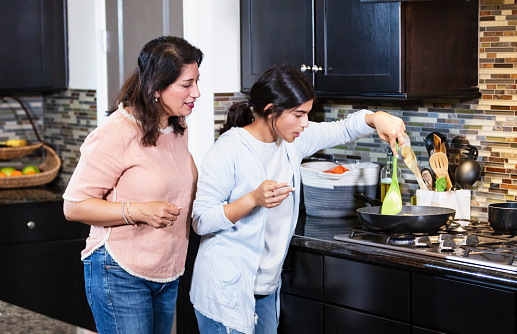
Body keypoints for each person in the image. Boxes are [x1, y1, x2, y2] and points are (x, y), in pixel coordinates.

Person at [190, 63, 406, 334]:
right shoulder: (228, 150)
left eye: (307, 114)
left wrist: (377, 118)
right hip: (225, 292)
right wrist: (252, 199)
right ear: (270, 110)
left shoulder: (293, 141)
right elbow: (201, 220)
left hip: (266, 291)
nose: (305, 123)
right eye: (299, 114)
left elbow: (343, 129)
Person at [62, 36, 203, 334]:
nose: (197, 93)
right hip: (118, 270)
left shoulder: (176, 125)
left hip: (167, 270)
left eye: (197, 81)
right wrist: (138, 211)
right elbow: (74, 206)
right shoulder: (116, 132)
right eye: (186, 84)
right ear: (156, 88)